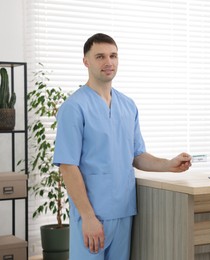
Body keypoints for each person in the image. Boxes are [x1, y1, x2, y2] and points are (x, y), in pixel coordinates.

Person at [53, 33, 192, 260]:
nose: (108, 62)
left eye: (113, 56)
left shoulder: (128, 106)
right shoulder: (74, 107)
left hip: (124, 211)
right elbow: (68, 166)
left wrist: (169, 164)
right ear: (86, 61)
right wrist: (88, 216)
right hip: (92, 215)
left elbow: (137, 156)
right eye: (100, 56)